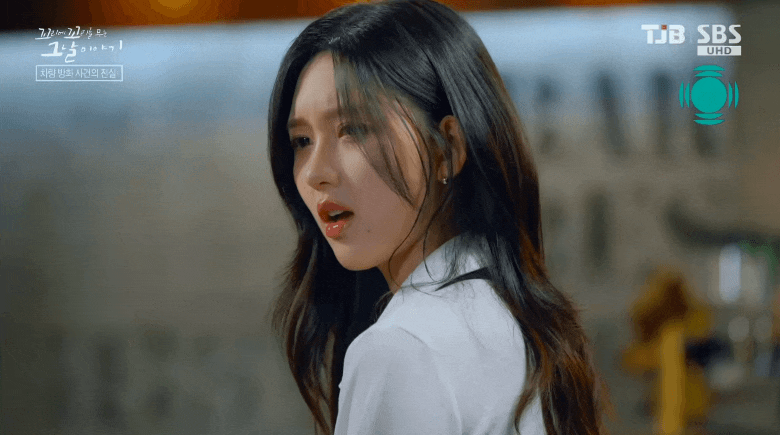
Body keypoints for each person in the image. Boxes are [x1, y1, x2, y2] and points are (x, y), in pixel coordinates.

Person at [266, 1, 609, 434]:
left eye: (353, 129)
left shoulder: (402, 347)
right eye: (301, 140)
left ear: (446, 147)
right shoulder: (526, 322)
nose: (315, 172)